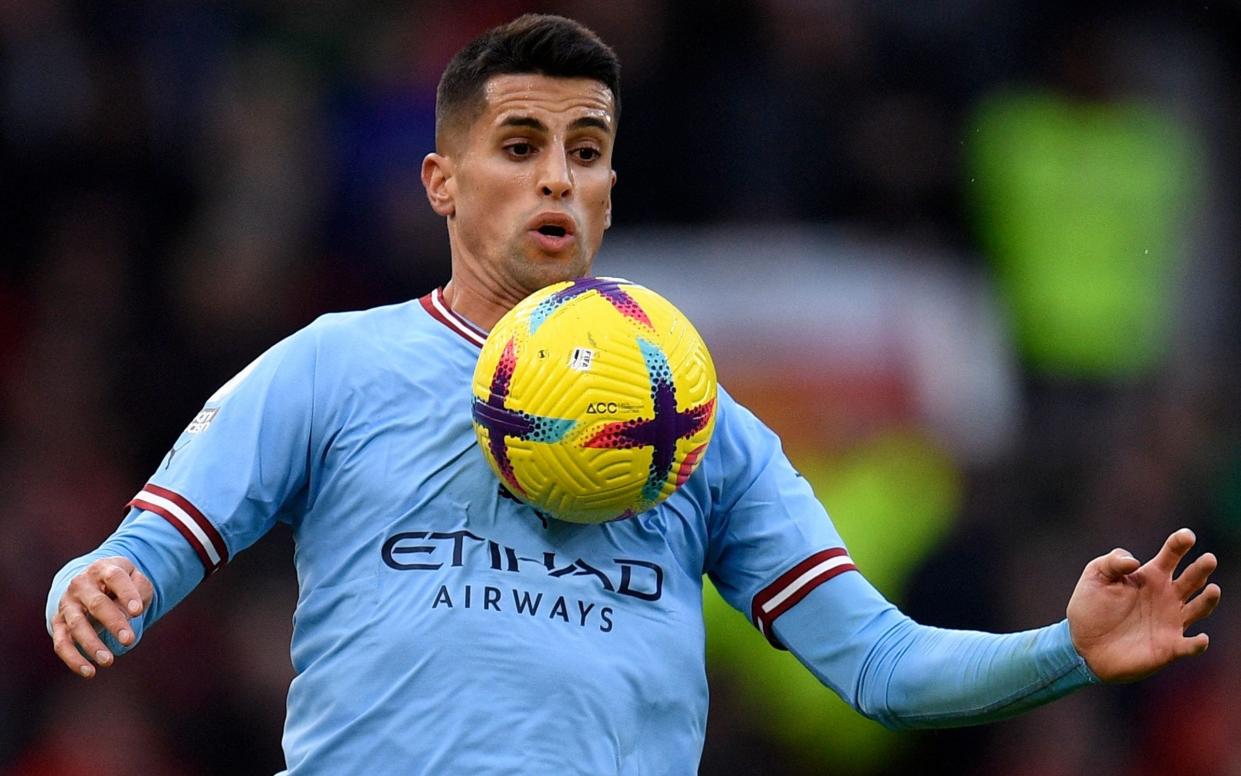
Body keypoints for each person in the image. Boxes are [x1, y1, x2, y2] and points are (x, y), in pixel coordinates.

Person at [46, 14, 1220, 775]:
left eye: (588, 147)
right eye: (519, 144)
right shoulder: (333, 365)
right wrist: (99, 577)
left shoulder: (703, 428)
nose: (558, 174)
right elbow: (151, 544)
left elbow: (881, 665)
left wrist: (1061, 647)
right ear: (441, 181)